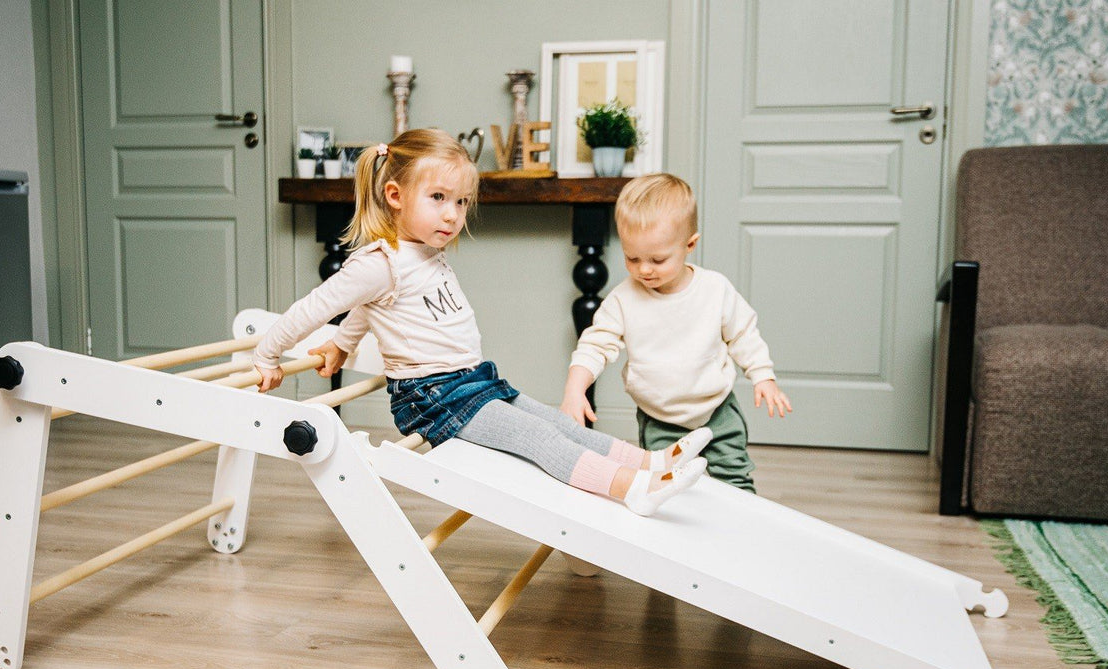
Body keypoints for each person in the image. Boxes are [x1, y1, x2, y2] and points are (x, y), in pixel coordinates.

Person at [253, 129, 709, 516]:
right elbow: (315, 307)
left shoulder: (424, 252)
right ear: (394, 196)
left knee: (557, 423)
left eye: (461, 202)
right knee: (536, 438)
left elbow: (370, 308)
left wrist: (342, 345)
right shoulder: (380, 261)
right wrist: (268, 353)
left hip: (472, 381)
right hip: (434, 398)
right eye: (438, 198)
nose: (453, 215)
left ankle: (649, 463)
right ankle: (631, 489)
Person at [561, 173, 792, 493]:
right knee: (667, 488)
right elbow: (595, 346)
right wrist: (576, 388)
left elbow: (743, 334)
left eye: (657, 259)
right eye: (632, 258)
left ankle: (737, 537)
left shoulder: (714, 290)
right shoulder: (623, 300)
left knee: (735, 479)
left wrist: (762, 374)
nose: (644, 269)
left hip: (717, 410)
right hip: (660, 420)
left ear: (690, 244)